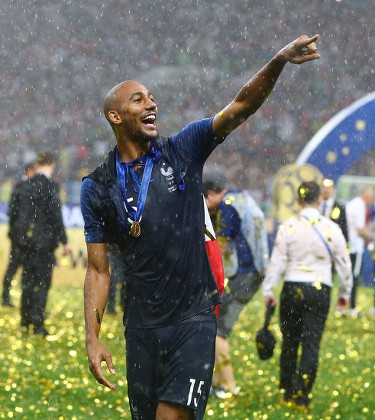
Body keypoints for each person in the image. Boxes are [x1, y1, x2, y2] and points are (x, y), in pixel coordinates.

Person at [80, 34, 320, 420]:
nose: (151, 103)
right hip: (140, 328)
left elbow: (241, 105)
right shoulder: (97, 186)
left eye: (152, 96)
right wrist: (92, 339)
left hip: (193, 321)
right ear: (115, 116)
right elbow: (98, 268)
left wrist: (277, 61)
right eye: (138, 99)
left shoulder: (184, 149)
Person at [263, 181, 352, 410]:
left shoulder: (288, 226)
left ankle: (286, 389)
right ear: (320, 200)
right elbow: (344, 264)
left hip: (292, 287)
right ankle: (302, 394)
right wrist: (345, 293)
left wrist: (268, 290)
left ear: (298, 201)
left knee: (290, 341)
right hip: (320, 288)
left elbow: (277, 262)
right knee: (311, 344)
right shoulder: (331, 228)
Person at [203, 174, 269, 398]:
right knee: (218, 329)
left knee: (217, 330)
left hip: (243, 273)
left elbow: (219, 246)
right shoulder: (243, 198)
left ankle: (229, 386)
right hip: (256, 271)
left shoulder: (226, 206)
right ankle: (220, 382)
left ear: (212, 193)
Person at [17, 152, 69, 336]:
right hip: (45, 243)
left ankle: (25, 320)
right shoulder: (50, 186)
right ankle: (38, 324)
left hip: (27, 242)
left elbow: (19, 214)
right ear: (52, 164)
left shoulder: (25, 185)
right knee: (42, 283)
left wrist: (20, 238)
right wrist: (64, 241)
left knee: (28, 281)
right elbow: (56, 216)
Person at [1, 161, 36, 307]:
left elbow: (12, 213)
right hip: (22, 237)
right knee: (16, 267)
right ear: (29, 171)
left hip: (20, 236)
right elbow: (14, 213)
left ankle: (8, 296)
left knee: (15, 267)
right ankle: (8, 297)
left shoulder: (21, 188)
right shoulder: (26, 188)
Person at [345, 186, 375, 316]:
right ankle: (351, 307)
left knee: (348, 276)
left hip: (349, 245)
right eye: (372, 197)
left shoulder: (353, 204)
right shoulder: (360, 206)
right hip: (355, 247)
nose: (372, 200)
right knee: (354, 277)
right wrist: (372, 238)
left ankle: (344, 306)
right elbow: (361, 230)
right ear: (366, 196)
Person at [320, 178, 348, 242]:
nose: (326, 190)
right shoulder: (315, 205)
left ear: (333, 189)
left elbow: (343, 228)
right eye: (324, 187)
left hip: (333, 241)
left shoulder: (339, 207)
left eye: (329, 188)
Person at [106, 243, 127, 315]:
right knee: (124, 277)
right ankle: (123, 305)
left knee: (115, 277)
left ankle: (111, 307)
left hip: (114, 245)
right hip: (124, 246)